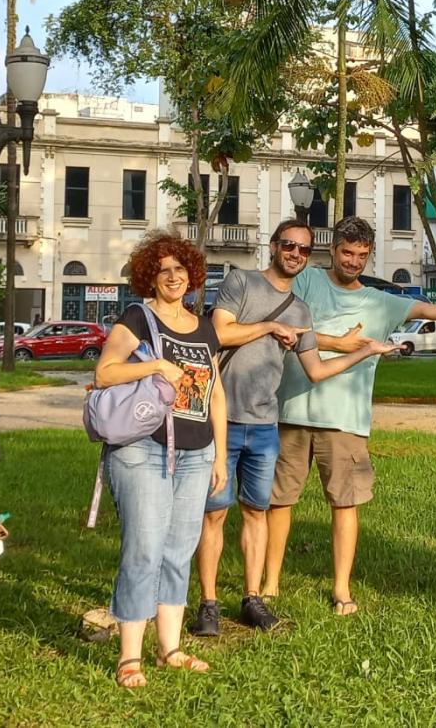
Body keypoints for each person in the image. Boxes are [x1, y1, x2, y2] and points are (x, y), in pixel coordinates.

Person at [264, 216, 436, 615]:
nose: (352, 261)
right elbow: (270, 298)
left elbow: (432, 308)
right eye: (346, 252)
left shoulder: (381, 302)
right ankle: (269, 585)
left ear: (369, 256)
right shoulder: (308, 281)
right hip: (292, 411)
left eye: (361, 255)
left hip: (344, 420)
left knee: (345, 504)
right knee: (279, 502)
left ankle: (342, 590)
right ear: (332, 249)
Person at [192, 218, 399, 636]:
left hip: (266, 424)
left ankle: (253, 598)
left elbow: (317, 370)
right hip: (222, 419)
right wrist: (270, 326)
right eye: (289, 245)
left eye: (304, 250)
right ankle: (208, 604)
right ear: (273, 246)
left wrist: (365, 351)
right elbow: (221, 333)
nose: (295, 254)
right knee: (214, 514)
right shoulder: (241, 282)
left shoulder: (300, 311)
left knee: (257, 512)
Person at [93, 231, 227, 689]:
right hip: (142, 449)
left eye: (180, 268)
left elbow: (217, 395)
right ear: (151, 276)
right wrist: (153, 366)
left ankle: (170, 647)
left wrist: (220, 456)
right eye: (163, 269)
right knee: (144, 549)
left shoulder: (205, 326)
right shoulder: (137, 318)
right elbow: (105, 372)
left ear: (192, 274)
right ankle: (130, 654)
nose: (173, 276)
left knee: (179, 550)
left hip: (197, 452)